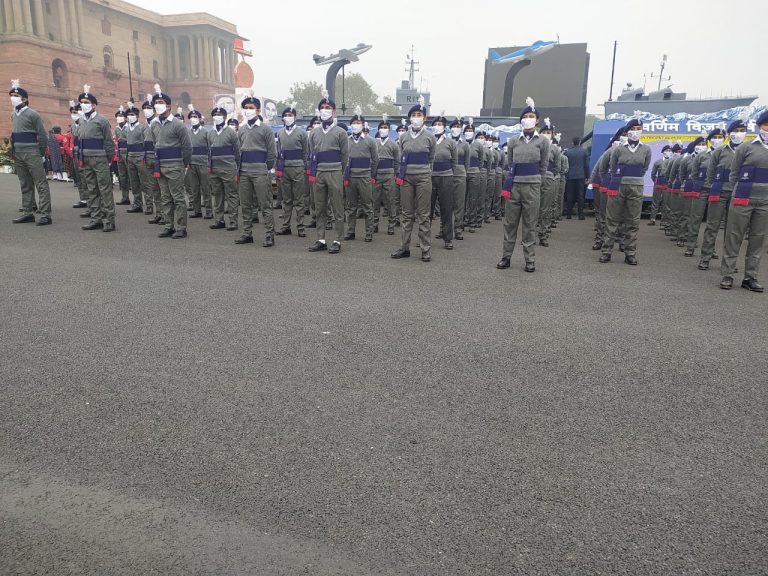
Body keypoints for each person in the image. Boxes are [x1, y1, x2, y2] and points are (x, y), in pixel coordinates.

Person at [497, 97, 549, 272]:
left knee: (530, 224)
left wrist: (536, 180)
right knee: (510, 224)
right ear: (521, 120)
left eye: (531, 115)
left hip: (532, 186)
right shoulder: (513, 141)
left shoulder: (543, 141)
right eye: (525, 116)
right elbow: (509, 162)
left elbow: (543, 165)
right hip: (514, 186)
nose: (528, 118)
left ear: (537, 120)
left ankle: (529, 259)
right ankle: (506, 257)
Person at [719, 110, 768, 292]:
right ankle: (728, 274)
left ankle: (750, 277)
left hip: (765, 202)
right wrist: (738, 192)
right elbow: (734, 173)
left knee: (757, 240)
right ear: (759, 126)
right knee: (734, 237)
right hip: (742, 199)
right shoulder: (746, 147)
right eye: (766, 125)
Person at [599, 119, 651, 264]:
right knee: (612, 219)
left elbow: (645, 167)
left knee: (632, 221)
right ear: (627, 131)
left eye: (638, 128)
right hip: (618, 186)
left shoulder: (646, 149)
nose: (635, 131)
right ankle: (606, 251)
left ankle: (630, 253)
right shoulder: (618, 149)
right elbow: (613, 166)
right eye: (633, 128)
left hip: (636, 187)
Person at [698, 120, 747, 270]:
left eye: (741, 130)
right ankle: (705, 258)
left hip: (737, 193)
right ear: (730, 133)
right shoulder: (720, 151)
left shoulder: (746, 150)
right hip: (719, 192)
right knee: (712, 226)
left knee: (733, 230)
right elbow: (711, 173)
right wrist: (714, 186)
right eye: (736, 130)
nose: (738, 133)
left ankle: (729, 263)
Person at [391, 99, 436, 262]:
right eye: (414, 115)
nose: (416, 117)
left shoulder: (430, 137)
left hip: (424, 178)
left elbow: (431, 157)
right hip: (407, 178)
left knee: (423, 214)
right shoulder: (403, 137)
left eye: (419, 115)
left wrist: (425, 172)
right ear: (410, 118)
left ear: (424, 118)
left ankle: (425, 249)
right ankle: (404, 248)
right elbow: (401, 156)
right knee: (406, 214)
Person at [307, 94, 348, 254]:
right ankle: (321, 239)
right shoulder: (314, 133)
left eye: (328, 108)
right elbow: (312, 153)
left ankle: (337, 239)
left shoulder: (340, 132)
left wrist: (339, 171)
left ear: (334, 111)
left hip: (335, 171)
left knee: (337, 206)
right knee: (320, 207)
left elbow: (345, 156)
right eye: (322, 108)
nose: (325, 111)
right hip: (319, 173)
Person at [150, 84, 192, 238]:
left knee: (178, 197)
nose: (157, 106)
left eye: (161, 103)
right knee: (165, 197)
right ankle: (169, 225)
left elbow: (187, 147)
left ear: (168, 106)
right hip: (160, 165)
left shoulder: (178, 125)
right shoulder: (154, 125)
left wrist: (183, 164)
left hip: (175, 165)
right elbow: (156, 144)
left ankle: (181, 227)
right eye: (156, 103)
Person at [8, 79, 52, 225]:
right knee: (25, 183)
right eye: (12, 95)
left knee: (40, 182)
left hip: (32, 152)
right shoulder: (14, 114)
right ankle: (28, 212)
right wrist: (12, 149)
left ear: (25, 99)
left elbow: (42, 135)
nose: (13, 98)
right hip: (19, 152)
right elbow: (14, 134)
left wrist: (39, 153)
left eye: (16, 95)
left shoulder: (33, 114)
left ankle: (45, 214)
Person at [236, 95, 276, 247]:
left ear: (258, 110)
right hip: (244, 171)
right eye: (245, 108)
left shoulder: (265, 129)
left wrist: (265, 168)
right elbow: (240, 150)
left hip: (260, 171)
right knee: (245, 204)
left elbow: (272, 153)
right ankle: (247, 233)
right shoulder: (242, 129)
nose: (248, 110)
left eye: (251, 108)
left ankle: (269, 235)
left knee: (264, 204)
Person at [76, 85, 116, 232]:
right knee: (91, 189)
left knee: (105, 189)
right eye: (82, 102)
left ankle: (109, 220)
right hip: (86, 159)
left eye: (86, 102)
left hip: (100, 159)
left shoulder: (102, 121)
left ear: (93, 105)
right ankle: (95, 218)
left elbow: (108, 143)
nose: (83, 105)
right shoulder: (81, 121)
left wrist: (108, 159)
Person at [344, 110, 378, 242]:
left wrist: (370, 174)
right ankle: (351, 231)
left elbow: (375, 160)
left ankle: (369, 233)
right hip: (351, 177)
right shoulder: (346, 141)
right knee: (351, 206)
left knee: (367, 206)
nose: (356, 125)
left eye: (358, 123)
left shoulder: (370, 141)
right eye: (354, 123)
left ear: (363, 125)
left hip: (365, 177)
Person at [275, 103, 308, 237]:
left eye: (290, 115)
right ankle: (286, 226)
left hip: (298, 167)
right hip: (285, 168)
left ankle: (300, 227)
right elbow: (278, 151)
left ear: (295, 117)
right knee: (286, 199)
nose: (288, 117)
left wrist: (303, 166)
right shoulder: (280, 133)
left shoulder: (302, 133)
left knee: (299, 199)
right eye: (286, 115)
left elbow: (306, 152)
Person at [683, 132, 717, 257]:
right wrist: (700, 184)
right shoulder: (701, 156)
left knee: (713, 222)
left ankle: (710, 249)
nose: (702, 146)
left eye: (720, 138)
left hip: (716, 191)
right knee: (695, 218)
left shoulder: (722, 154)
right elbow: (694, 173)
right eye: (700, 144)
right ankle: (690, 246)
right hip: (701, 190)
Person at [207, 106, 240, 231]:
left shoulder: (231, 132)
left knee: (231, 195)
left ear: (225, 117)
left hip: (228, 169)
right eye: (215, 114)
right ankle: (219, 220)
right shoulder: (210, 133)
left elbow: (237, 152)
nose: (217, 116)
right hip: (214, 169)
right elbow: (209, 150)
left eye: (220, 114)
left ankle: (233, 221)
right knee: (217, 195)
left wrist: (236, 167)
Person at [429, 114, 457, 249]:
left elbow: (454, 162)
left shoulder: (451, 143)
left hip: (446, 177)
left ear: (444, 127)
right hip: (429, 177)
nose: (437, 127)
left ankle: (447, 239)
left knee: (446, 208)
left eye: (440, 125)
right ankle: (424, 237)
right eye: (435, 124)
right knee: (427, 208)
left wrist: (449, 173)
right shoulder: (428, 140)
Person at [373, 115, 400, 235]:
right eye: (381, 127)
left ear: (389, 130)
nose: (383, 129)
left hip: (389, 174)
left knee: (390, 201)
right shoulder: (374, 143)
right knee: (375, 200)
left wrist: (394, 174)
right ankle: (374, 224)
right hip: (377, 173)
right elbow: (371, 159)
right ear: (378, 129)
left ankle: (391, 225)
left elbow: (397, 161)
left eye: (385, 127)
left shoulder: (393, 144)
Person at [186, 104, 213, 220]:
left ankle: (209, 211)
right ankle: (197, 211)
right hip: (192, 164)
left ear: (199, 118)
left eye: (195, 116)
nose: (193, 118)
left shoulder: (206, 132)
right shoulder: (187, 132)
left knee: (205, 188)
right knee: (194, 188)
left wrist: (209, 164)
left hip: (203, 164)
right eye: (191, 116)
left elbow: (210, 149)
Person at [537, 118, 560, 247]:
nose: (546, 134)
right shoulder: (537, 145)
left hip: (549, 178)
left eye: (549, 132)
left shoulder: (555, 149)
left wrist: (550, 175)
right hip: (536, 178)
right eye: (544, 131)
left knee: (545, 207)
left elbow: (557, 167)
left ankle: (543, 234)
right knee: (533, 207)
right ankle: (530, 233)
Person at [123, 103, 147, 215]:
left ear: (137, 116)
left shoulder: (142, 127)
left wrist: (144, 157)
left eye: (132, 114)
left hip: (140, 157)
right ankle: (137, 204)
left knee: (144, 182)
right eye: (128, 115)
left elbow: (145, 143)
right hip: (130, 157)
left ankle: (149, 205)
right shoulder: (127, 128)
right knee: (134, 183)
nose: (129, 116)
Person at [141, 96, 161, 221]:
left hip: (158, 158)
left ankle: (165, 215)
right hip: (148, 159)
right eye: (145, 108)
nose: (146, 110)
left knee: (162, 188)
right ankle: (159, 213)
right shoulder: (144, 126)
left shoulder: (157, 123)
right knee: (153, 187)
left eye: (149, 108)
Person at [450, 118, 470, 240]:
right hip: (447, 174)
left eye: (458, 126)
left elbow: (467, 163)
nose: (456, 128)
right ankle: (443, 229)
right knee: (446, 203)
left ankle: (458, 229)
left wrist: (463, 172)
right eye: (454, 126)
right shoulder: (446, 141)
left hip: (460, 174)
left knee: (459, 203)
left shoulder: (465, 145)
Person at [463, 121, 485, 233]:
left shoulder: (478, 145)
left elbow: (481, 160)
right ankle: (463, 221)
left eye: (470, 131)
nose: (468, 132)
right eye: (466, 131)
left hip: (474, 173)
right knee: (462, 198)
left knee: (473, 198)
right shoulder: (461, 144)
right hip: (463, 173)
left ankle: (472, 222)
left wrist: (477, 170)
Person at [564, 136, 589, 219]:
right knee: (580, 195)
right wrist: (587, 176)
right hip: (581, 175)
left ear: (572, 142)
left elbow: (566, 165)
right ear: (579, 142)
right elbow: (586, 165)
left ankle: (569, 214)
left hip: (570, 176)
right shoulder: (584, 151)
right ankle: (581, 214)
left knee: (570, 194)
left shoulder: (568, 152)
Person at [647, 145, 672, 225]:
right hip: (658, 184)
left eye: (670, 150)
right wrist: (656, 181)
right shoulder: (658, 162)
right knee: (655, 202)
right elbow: (653, 174)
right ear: (663, 152)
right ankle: (652, 219)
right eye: (667, 150)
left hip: (667, 185)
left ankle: (664, 221)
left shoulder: (672, 161)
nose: (668, 152)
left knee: (666, 203)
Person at [114, 106, 131, 205]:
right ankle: (125, 197)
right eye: (118, 116)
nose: (119, 118)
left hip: (128, 152)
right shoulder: (117, 129)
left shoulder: (128, 127)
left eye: (121, 116)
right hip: (120, 153)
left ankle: (139, 199)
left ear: (125, 118)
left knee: (132, 176)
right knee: (122, 176)